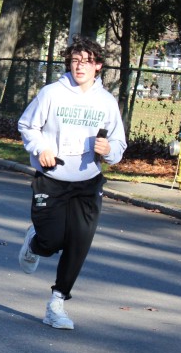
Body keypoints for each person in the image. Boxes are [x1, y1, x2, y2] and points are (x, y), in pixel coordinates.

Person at [17, 35, 127, 331]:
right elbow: (27, 125)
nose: (80, 66)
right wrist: (42, 147)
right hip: (52, 179)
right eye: (75, 60)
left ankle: (57, 304)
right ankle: (34, 242)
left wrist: (109, 150)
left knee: (79, 242)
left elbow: (118, 144)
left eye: (87, 61)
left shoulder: (106, 101)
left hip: (87, 182)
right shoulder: (52, 93)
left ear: (98, 66)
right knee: (51, 242)